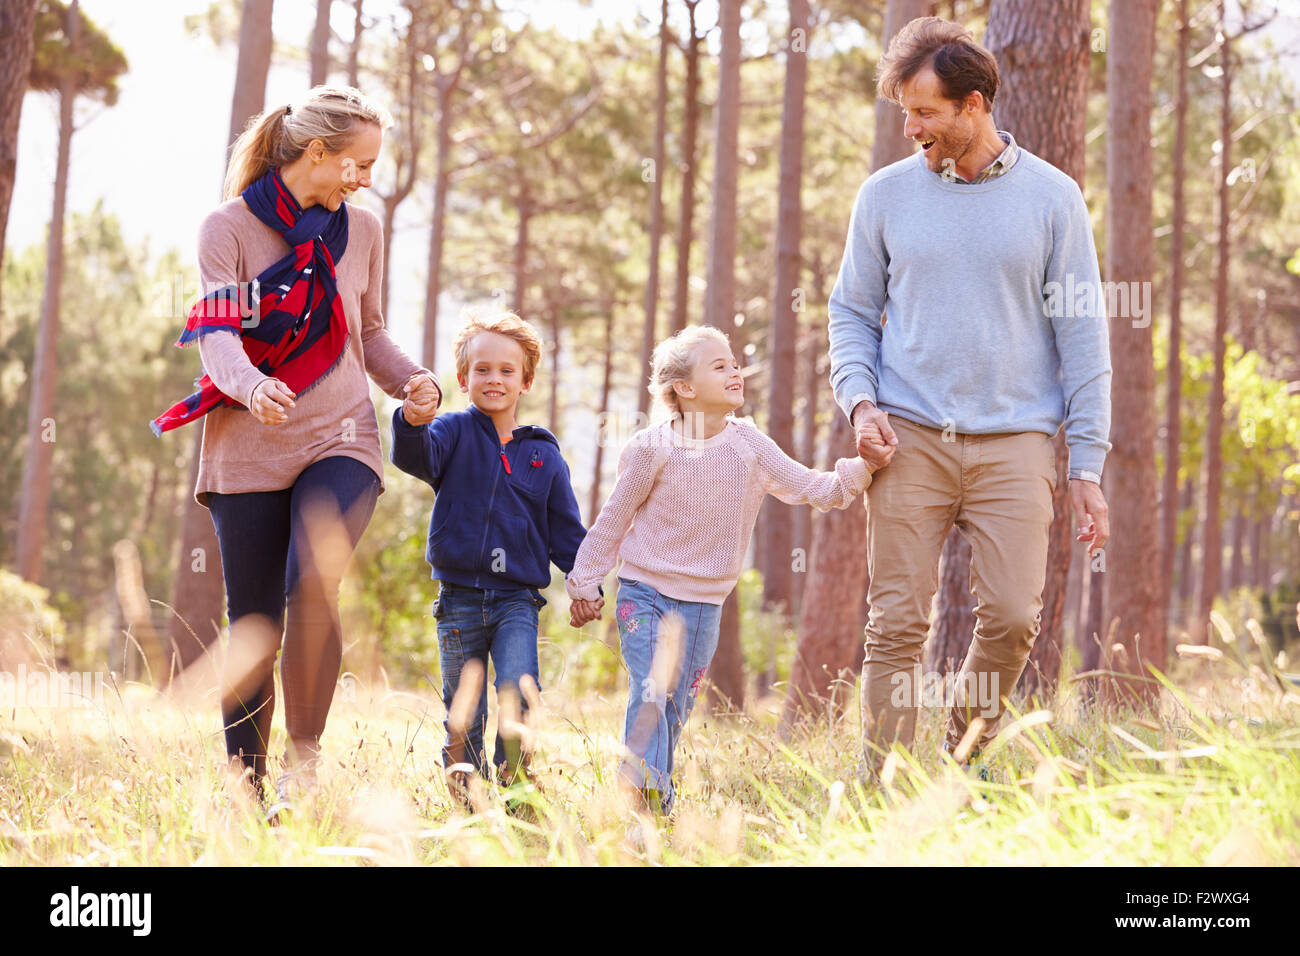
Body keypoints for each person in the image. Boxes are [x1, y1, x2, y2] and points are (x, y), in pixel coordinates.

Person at [826, 17, 1113, 777]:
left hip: (1016, 441)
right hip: (909, 434)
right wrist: (862, 404)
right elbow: (851, 312)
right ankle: (878, 786)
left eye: (924, 112)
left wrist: (1086, 465)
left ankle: (959, 763)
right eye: (904, 113)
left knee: (1016, 618)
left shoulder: (1054, 198)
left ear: (975, 104)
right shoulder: (885, 195)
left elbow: (1083, 336)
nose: (911, 128)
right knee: (894, 627)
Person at [152, 86, 442, 812]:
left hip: (342, 435)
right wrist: (251, 388)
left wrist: (412, 379)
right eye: (359, 162)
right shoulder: (229, 228)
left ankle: (303, 768)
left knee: (314, 579)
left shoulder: (363, 232)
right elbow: (215, 333)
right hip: (246, 445)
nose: (366, 178)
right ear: (317, 153)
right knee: (254, 623)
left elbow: (369, 333)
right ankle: (246, 790)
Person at [565, 325, 883, 817]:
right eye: (720, 365)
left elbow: (816, 489)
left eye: (735, 363)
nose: (735, 370)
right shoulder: (653, 448)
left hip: (705, 604)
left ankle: (657, 798)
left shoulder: (750, 447)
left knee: (675, 708)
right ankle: (640, 806)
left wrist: (862, 467)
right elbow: (613, 520)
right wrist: (585, 581)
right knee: (651, 691)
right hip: (644, 591)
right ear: (685, 389)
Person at [390, 312, 588, 797]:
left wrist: (586, 585)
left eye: (506, 370)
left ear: (526, 381)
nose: (493, 379)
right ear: (463, 378)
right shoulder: (452, 432)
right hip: (457, 599)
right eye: (482, 370)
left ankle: (516, 784)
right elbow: (416, 455)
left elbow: (566, 532)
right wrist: (412, 420)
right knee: (463, 710)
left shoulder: (543, 454)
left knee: (520, 694)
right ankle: (467, 798)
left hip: (516, 601)